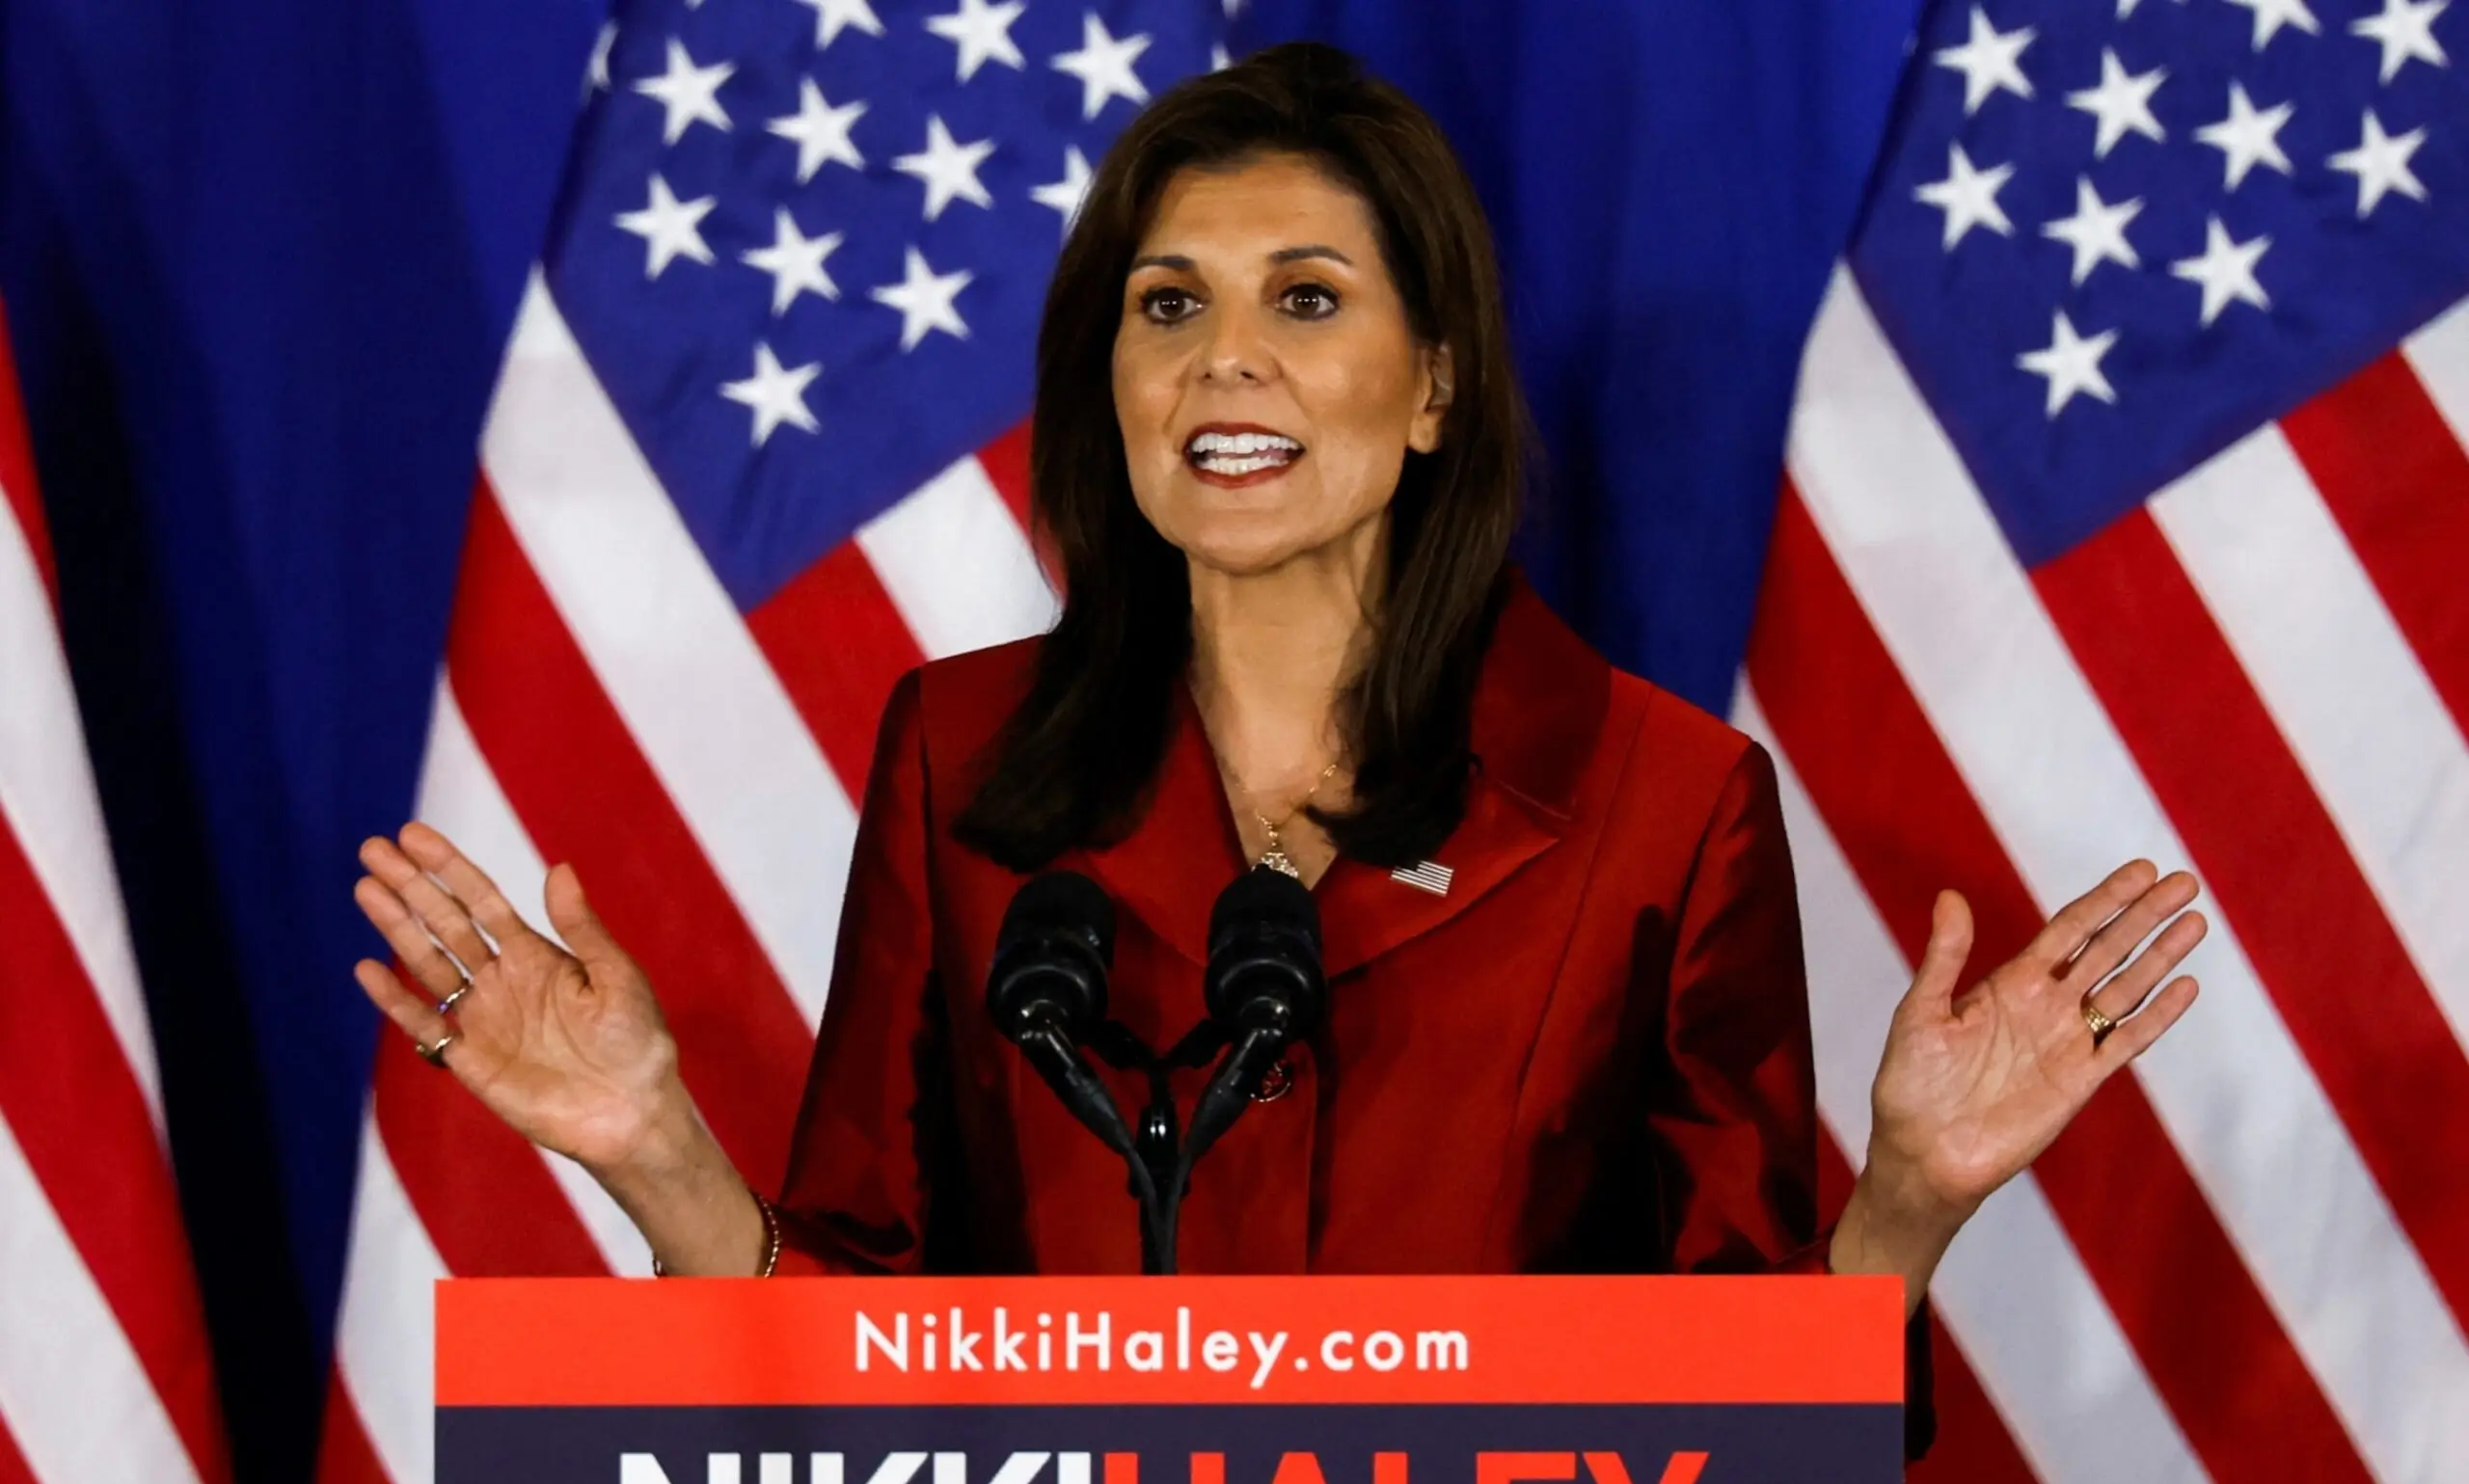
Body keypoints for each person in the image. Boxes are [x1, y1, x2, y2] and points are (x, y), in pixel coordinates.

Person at [349, 48, 2203, 1370]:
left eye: (1304, 299)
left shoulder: (1665, 799)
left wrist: (1905, 1203)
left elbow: (1737, 1430)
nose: (1222, 355)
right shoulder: (964, 764)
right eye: (1167, 307)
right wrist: (654, 1149)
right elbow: (858, 1365)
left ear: (1432, 391)